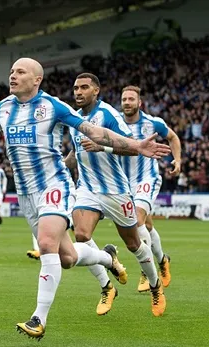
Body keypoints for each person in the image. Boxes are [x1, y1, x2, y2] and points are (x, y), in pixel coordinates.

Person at [0, 58, 170, 340]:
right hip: (26, 193)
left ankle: (38, 319)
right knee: (66, 257)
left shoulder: (53, 106)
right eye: (11, 71)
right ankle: (107, 258)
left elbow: (94, 131)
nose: (12, 75)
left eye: (20, 71)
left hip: (55, 185)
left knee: (46, 244)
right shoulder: (3, 108)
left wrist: (137, 145)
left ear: (37, 79)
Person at [64, 73, 166, 317]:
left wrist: (102, 146)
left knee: (134, 244)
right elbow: (75, 152)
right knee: (81, 235)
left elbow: (133, 149)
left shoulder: (108, 114)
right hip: (87, 188)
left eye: (84, 88)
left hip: (116, 190)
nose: (78, 92)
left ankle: (155, 286)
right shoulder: (73, 118)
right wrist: (57, 164)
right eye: (76, 88)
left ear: (96, 91)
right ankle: (107, 286)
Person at [85, 85, 179, 292]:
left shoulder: (152, 123)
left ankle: (147, 272)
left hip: (147, 178)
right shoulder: (113, 121)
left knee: (137, 220)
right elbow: (109, 144)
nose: (127, 102)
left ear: (139, 103)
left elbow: (172, 137)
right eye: (124, 99)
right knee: (147, 226)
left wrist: (177, 160)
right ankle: (162, 260)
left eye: (131, 99)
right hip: (123, 182)